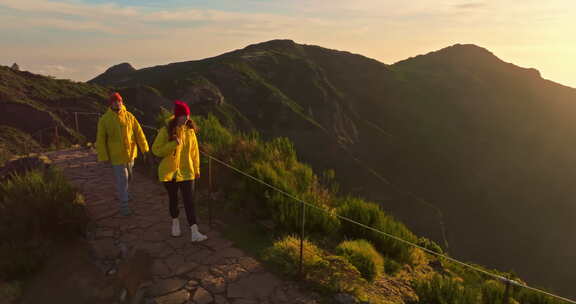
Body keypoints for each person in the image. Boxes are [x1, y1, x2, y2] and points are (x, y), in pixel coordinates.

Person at [152, 100, 207, 242]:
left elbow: (195, 152)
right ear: (177, 116)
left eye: (188, 115)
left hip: (187, 171)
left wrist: (197, 168)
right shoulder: (166, 130)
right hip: (171, 172)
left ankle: (194, 232)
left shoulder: (190, 131)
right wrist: (172, 144)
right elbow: (156, 150)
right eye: (183, 116)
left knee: (189, 201)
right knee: (174, 199)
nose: (186, 118)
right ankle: (175, 222)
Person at [96, 92, 149, 216]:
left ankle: (124, 193)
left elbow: (139, 133)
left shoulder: (130, 116)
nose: (117, 103)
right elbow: (101, 139)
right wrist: (103, 156)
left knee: (129, 177)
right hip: (116, 156)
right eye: (114, 101)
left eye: (119, 101)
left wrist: (145, 148)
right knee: (123, 179)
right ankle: (124, 205)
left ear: (122, 102)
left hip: (130, 154)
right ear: (111, 104)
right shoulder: (105, 119)